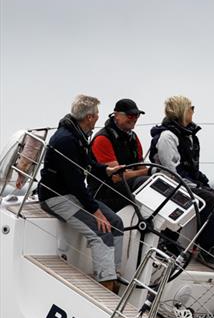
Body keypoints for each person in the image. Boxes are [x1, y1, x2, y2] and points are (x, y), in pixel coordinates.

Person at [38, 95, 124, 292]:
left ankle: (114, 273)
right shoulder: (65, 140)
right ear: (90, 118)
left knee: (116, 223)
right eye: (97, 115)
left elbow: (87, 164)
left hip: (73, 195)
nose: (98, 118)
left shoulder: (77, 134)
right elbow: (75, 182)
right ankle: (107, 285)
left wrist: (106, 171)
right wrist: (95, 211)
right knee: (102, 231)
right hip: (56, 197)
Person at [149, 95, 214, 271]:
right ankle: (204, 248)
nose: (194, 111)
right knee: (209, 199)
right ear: (182, 111)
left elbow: (192, 167)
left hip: (189, 182)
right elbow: (170, 170)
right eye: (191, 108)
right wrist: (194, 185)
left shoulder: (189, 135)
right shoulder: (167, 137)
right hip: (172, 183)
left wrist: (202, 181)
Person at [88, 98, 150, 211]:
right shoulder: (102, 139)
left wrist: (153, 174)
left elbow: (141, 168)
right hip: (103, 192)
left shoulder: (133, 138)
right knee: (144, 181)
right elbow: (117, 177)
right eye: (130, 116)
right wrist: (148, 172)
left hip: (124, 186)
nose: (135, 119)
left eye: (137, 116)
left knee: (155, 181)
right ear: (116, 115)